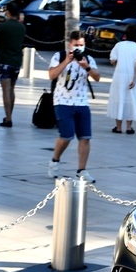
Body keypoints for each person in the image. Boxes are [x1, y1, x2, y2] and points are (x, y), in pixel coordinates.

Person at [47, 31, 101, 182]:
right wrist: (66, 61)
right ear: (70, 44)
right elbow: (51, 75)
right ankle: (54, 161)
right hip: (62, 101)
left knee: (85, 137)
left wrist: (87, 67)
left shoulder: (88, 59)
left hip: (82, 102)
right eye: (76, 45)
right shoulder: (59, 56)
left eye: (81, 45)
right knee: (66, 135)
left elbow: (97, 77)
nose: (79, 48)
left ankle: (82, 170)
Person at [0, 2, 26, 127]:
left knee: (5, 91)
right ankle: (9, 116)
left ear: (7, 12)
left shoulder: (3, 26)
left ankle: (8, 119)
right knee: (12, 90)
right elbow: (6, 31)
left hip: (4, 61)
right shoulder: (21, 27)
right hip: (16, 61)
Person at [107, 23, 136, 134]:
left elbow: (113, 60)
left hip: (119, 76)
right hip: (131, 76)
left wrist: (118, 65)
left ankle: (118, 127)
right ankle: (129, 127)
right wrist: (134, 79)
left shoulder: (119, 45)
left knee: (119, 98)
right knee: (131, 100)